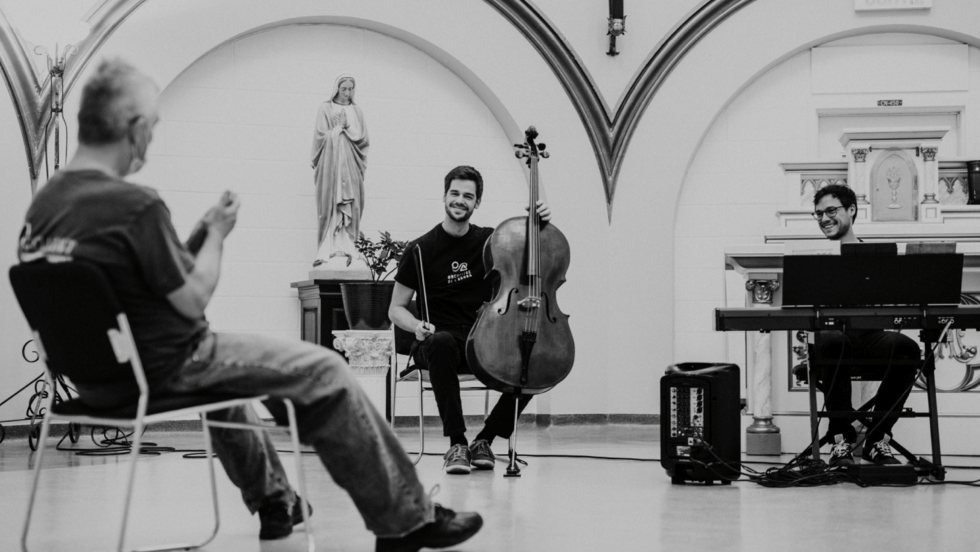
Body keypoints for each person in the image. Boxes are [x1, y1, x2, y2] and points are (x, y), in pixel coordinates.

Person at [17, 58, 481, 551]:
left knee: (234, 386)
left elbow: (128, 289)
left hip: (93, 380)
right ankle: (405, 519)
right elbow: (192, 301)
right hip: (168, 366)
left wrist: (193, 237)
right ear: (130, 127)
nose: (149, 142)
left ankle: (277, 502)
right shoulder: (134, 205)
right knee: (325, 370)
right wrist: (216, 234)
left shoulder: (43, 208)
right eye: (149, 129)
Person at [388, 165, 551, 475]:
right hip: (436, 344)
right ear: (445, 197)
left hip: (482, 342)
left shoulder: (490, 241)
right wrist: (415, 327)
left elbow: (529, 254)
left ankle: (484, 441)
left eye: (468, 196)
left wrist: (538, 225)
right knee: (442, 342)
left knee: (534, 358)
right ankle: (457, 443)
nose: (460, 200)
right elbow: (395, 309)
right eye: (455, 193)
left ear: (477, 203)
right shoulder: (420, 249)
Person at [810, 184, 921, 466]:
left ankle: (877, 438)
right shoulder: (812, 258)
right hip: (833, 341)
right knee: (835, 341)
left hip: (870, 337)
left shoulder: (875, 256)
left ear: (851, 210)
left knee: (908, 349)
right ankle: (840, 440)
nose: (824, 218)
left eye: (831, 211)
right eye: (819, 213)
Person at [311, 73, 369, 267]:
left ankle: (349, 245)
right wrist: (338, 129)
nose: (347, 92)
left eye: (350, 89)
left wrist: (347, 127)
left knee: (352, 203)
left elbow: (363, 140)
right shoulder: (326, 108)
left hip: (351, 165)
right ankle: (330, 246)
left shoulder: (357, 111)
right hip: (333, 166)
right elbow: (321, 137)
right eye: (344, 88)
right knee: (333, 203)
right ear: (337, 88)